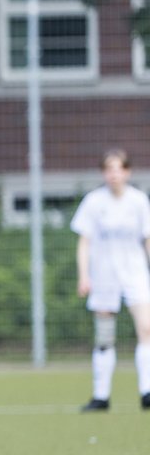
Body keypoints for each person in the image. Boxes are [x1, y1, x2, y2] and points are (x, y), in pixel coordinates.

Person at [72, 148, 150, 412]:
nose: (114, 174)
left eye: (119, 168)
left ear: (127, 172)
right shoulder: (94, 202)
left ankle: (147, 391)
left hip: (135, 274)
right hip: (104, 276)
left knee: (146, 328)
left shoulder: (139, 201)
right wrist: (84, 275)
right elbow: (84, 242)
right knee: (105, 337)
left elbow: (147, 239)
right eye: (109, 169)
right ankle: (101, 396)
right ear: (103, 173)